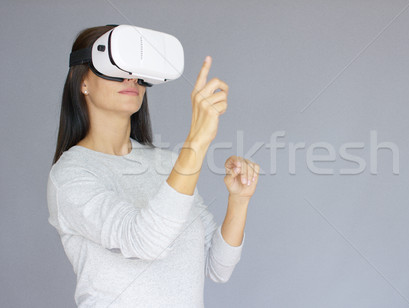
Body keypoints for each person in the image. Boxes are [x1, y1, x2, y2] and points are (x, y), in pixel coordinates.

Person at [46, 25, 259, 307]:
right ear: (83, 81)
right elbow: (143, 241)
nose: (131, 78)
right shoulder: (70, 175)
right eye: (116, 67)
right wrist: (196, 142)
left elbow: (217, 267)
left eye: (136, 70)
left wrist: (239, 200)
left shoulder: (167, 164)